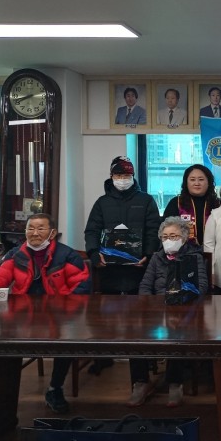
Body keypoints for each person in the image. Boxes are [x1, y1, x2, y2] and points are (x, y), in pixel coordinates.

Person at [0, 213, 90, 414]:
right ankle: (3, 391)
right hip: (23, 316)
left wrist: (66, 309)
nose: (35, 233)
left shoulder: (67, 255)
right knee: (3, 341)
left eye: (40, 228)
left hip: (59, 316)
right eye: (30, 228)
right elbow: (0, 275)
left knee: (66, 343)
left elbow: (82, 286)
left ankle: (55, 389)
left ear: (52, 233)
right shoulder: (15, 254)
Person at [84, 156, 160, 375]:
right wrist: (94, 253)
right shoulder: (102, 202)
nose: (123, 179)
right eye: (119, 175)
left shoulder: (146, 200)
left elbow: (153, 230)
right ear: (111, 176)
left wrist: (148, 254)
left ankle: (143, 364)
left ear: (133, 176)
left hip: (139, 270)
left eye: (127, 175)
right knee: (105, 318)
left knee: (141, 321)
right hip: (109, 270)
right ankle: (103, 358)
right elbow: (92, 230)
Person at [130, 216, 209, 408]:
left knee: (177, 332)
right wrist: (149, 306)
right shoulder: (157, 258)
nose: (168, 240)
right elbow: (145, 286)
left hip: (183, 310)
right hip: (156, 310)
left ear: (184, 238)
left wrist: (181, 302)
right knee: (134, 335)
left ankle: (175, 382)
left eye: (173, 236)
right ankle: (141, 382)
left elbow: (201, 287)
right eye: (165, 237)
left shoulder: (195, 257)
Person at [162, 164, 221, 246]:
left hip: (215, 251)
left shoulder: (218, 204)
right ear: (186, 183)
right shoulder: (176, 203)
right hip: (182, 252)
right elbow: (166, 231)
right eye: (192, 180)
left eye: (201, 179)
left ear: (209, 182)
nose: (197, 183)